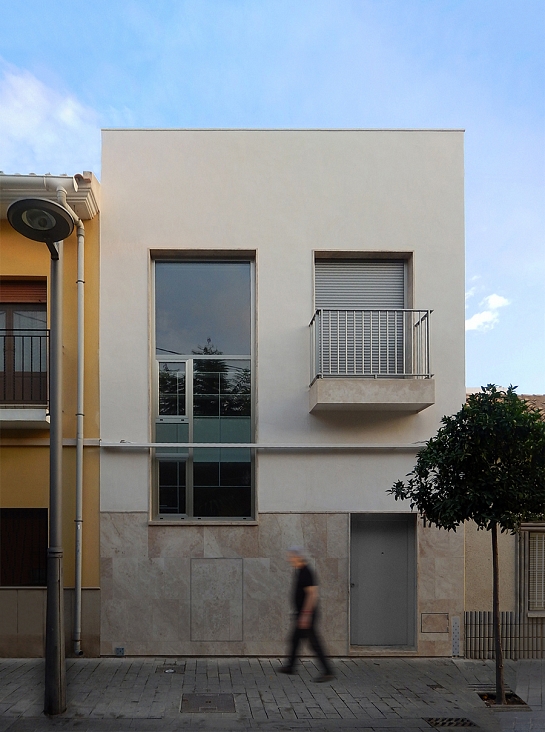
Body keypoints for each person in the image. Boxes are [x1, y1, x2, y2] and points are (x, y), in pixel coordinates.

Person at [279, 546, 334, 682]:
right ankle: (290, 666)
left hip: (307, 614)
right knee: (295, 640)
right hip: (302, 613)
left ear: (297, 557)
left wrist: (305, 615)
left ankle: (328, 671)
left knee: (314, 644)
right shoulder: (299, 571)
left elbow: (312, 594)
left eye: (291, 556)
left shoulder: (306, 572)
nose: (289, 559)